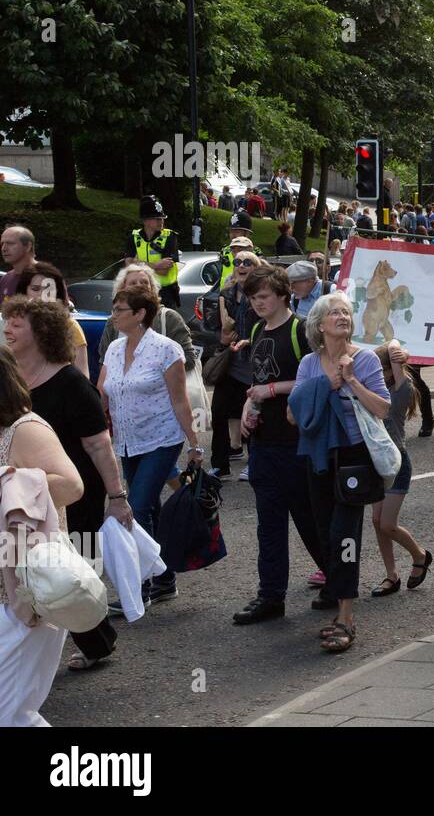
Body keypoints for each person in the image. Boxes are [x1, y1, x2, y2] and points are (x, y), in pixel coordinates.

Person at [3, 299, 125, 670]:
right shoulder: (11, 377)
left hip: (74, 488)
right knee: (36, 570)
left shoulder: (71, 382)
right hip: (27, 498)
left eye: (16, 325)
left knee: (68, 569)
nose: (7, 328)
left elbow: (99, 444)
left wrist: (117, 495)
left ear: (42, 333)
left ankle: (91, 635)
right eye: (6, 322)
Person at [289, 293, 390, 652]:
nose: (343, 317)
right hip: (318, 455)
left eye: (346, 311)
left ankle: (346, 615)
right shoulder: (309, 366)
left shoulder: (364, 359)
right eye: (334, 312)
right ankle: (337, 592)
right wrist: (324, 385)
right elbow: (292, 414)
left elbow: (383, 408)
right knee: (324, 533)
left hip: (353, 456)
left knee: (345, 535)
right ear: (318, 325)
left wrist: (350, 381)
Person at [231, 265, 325, 625]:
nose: (257, 303)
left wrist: (272, 391)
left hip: (296, 439)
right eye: (253, 297)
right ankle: (270, 595)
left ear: (284, 295)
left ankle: (335, 577)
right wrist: (249, 406)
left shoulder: (301, 330)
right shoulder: (256, 329)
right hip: (264, 440)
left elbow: (316, 377)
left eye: (264, 296)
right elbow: (257, 378)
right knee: (268, 523)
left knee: (307, 516)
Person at [98, 285, 202, 611]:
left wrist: (195, 445)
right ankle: (165, 578)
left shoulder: (166, 350)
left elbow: (179, 400)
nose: (113, 316)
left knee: (137, 507)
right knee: (151, 508)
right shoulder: (114, 349)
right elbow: (102, 393)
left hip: (162, 439)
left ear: (141, 314)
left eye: (119, 310)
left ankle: (140, 586)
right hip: (127, 441)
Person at [0, 345, 85, 725]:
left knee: (12, 715)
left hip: (28, 589)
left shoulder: (25, 429)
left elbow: (71, 485)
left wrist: (9, 485)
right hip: (8, 591)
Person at [368, 345, 431, 598]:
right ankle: (391, 575)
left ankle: (420, 555)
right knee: (376, 522)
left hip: (397, 463)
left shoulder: (401, 390)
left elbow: (393, 345)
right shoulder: (370, 389)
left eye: (380, 369)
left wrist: (397, 353)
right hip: (375, 463)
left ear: (391, 370)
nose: (375, 374)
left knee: (387, 524)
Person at [213, 249, 263, 480]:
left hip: (255, 364)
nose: (241, 265)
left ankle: (255, 462)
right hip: (230, 363)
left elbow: (270, 327)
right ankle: (219, 464)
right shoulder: (226, 294)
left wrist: (250, 341)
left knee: (254, 416)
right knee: (218, 412)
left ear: (257, 268)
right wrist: (223, 337)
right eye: (237, 262)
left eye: (247, 262)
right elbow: (214, 329)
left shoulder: (262, 295)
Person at [97, 263, 198, 372]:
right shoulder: (113, 321)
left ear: (152, 288)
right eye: (133, 283)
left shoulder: (169, 318)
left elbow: (190, 359)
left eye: (145, 282)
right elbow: (104, 363)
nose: (139, 285)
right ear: (122, 289)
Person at [16, 262, 89, 377]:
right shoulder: (11, 325)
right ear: (23, 292)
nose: (41, 294)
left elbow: (83, 378)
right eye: (35, 289)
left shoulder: (69, 327)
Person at [123, 196, 182, 310]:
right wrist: (155, 265)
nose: (162, 221)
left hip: (165, 294)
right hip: (142, 292)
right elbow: (128, 266)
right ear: (146, 220)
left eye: (162, 218)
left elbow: (164, 271)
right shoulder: (133, 237)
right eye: (157, 219)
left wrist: (139, 264)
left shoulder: (169, 236)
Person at [0, 226, 37, 299]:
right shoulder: (6, 278)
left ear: (28, 246)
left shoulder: (46, 277)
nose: (4, 248)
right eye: (2, 244)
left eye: (10, 243)